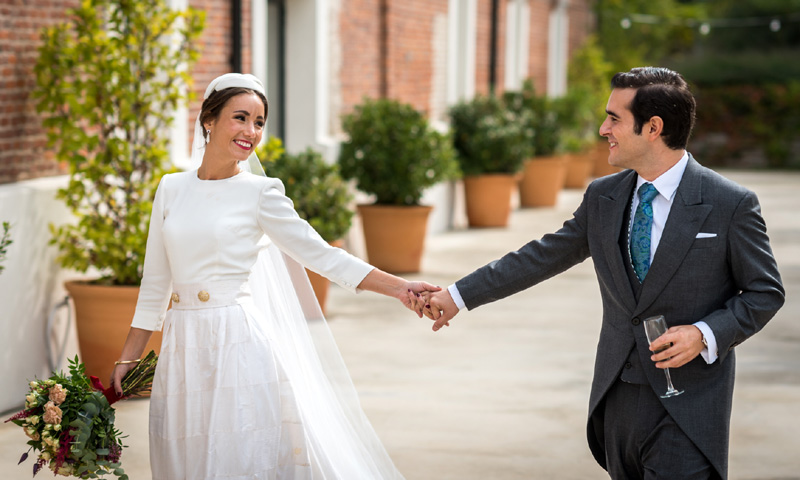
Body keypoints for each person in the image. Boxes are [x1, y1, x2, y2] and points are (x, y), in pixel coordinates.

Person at [423, 67, 784, 479]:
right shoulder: (603, 197)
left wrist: (704, 333)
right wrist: (457, 296)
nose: (602, 128)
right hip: (616, 403)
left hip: (689, 404)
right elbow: (541, 256)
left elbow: (764, 292)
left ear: (653, 128)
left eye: (614, 118)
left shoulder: (729, 203)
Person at [110, 73, 434, 479]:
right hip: (182, 348)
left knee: (236, 461)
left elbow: (324, 256)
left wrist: (402, 288)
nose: (251, 132)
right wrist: (129, 356)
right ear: (208, 119)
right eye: (240, 118)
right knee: (183, 462)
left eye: (259, 122)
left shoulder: (260, 193)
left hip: (238, 345)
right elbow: (155, 283)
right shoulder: (170, 188)